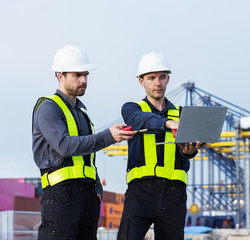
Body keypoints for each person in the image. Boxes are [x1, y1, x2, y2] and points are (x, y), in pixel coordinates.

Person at [32, 45, 135, 240]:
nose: (84, 80)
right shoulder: (48, 108)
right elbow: (64, 145)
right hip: (60, 197)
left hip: (87, 198)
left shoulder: (82, 113)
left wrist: (96, 190)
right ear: (60, 75)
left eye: (86, 75)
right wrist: (108, 137)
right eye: (77, 75)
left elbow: (88, 161)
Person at [117, 52, 206, 240]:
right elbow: (140, 120)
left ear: (168, 79)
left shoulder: (182, 115)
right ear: (141, 81)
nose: (157, 83)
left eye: (162, 77)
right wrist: (168, 123)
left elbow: (185, 153)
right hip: (140, 192)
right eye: (151, 78)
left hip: (174, 194)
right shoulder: (132, 109)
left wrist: (189, 152)